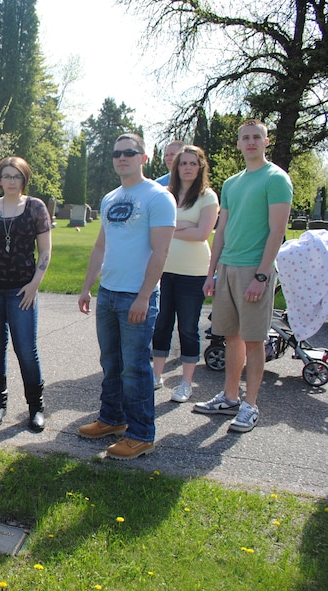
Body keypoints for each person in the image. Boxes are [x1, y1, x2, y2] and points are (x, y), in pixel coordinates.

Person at [77, 133, 175, 459]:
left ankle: (142, 434)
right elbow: (101, 247)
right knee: (111, 363)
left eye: (130, 153)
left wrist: (145, 296)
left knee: (135, 368)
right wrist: (87, 286)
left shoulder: (158, 197)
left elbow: (161, 252)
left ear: (144, 158)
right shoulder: (109, 198)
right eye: (117, 153)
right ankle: (112, 419)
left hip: (137, 295)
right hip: (108, 294)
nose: (122, 158)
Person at [194, 120, 293, 432]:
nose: (250, 142)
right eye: (245, 138)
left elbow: (277, 231)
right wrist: (212, 273)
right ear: (238, 144)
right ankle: (230, 397)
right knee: (231, 336)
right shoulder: (232, 183)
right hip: (228, 267)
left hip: (255, 269)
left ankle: (250, 406)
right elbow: (221, 229)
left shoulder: (276, 178)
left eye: (256, 137)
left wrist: (262, 276)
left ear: (265, 141)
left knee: (253, 340)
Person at [0, 156, 52, 431]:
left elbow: (46, 251)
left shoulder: (36, 207)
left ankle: (36, 408)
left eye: (17, 176)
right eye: (7, 176)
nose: (12, 181)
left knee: (26, 349)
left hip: (22, 289)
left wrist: (34, 284)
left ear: (24, 179)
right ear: (0, 179)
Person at [151, 145, 220, 401]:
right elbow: (154, 228)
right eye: (183, 163)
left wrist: (172, 228)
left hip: (193, 273)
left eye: (193, 163)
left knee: (188, 328)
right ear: (176, 167)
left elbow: (203, 233)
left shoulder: (207, 197)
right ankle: (156, 376)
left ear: (200, 167)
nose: (187, 168)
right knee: (161, 324)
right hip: (163, 270)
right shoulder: (166, 195)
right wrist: (186, 225)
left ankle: (185, 383)